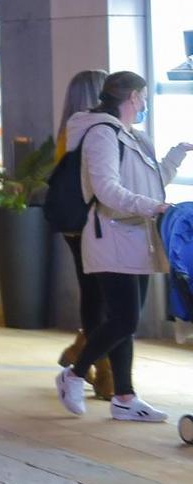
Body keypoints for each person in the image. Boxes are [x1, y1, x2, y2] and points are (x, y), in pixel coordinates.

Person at [55, 70, 192, 421]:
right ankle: (74, 374)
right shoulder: (101, 134)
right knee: (124, 319)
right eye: (143, 97)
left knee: (124, 321)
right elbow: (107, 190)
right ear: (132, 97)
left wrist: (177, 154)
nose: (145, 103)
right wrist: (153, 208)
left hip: (137, 239)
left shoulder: (134, 136)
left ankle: (125, 397)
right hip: (110, 236)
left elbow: (151, 183)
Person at [54, 69, 114, 400]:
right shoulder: (85, 132)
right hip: (88, 225)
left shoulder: (68, 131)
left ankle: (81, 350)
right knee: (98, 298)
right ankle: (102, 370)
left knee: (97, 296)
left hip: (78, 225)